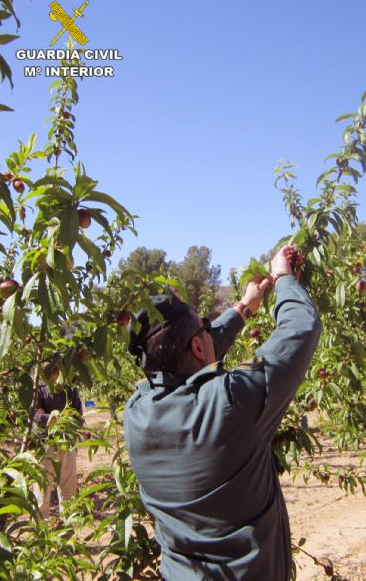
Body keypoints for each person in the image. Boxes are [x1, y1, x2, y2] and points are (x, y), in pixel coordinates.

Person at [123, 244, 321, 580]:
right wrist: (285, 278)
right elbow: (300, 327)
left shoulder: (135, 414)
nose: (208, 331)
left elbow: (188, 357)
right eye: (204, 328)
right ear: (199, 346)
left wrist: (244, 307)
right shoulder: (230, 402)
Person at [33, 383, 83, 519]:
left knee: (68, 487)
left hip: (67, 442)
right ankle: (41, 527)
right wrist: (58, 419)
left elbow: (78, 416)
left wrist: (59, 420)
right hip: (46, 443)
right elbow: (36, 416)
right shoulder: (40, 389)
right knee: (43, 487)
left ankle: (69, 523)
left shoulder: (71, 389)